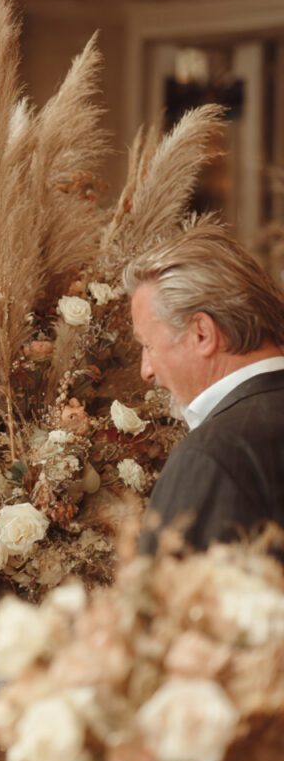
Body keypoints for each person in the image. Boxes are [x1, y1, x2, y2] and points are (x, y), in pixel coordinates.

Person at [125, 224, 284, 554]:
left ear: (202, 334)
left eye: (148, 346)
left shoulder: (210, 455)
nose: (146, 370)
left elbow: (161, 600)